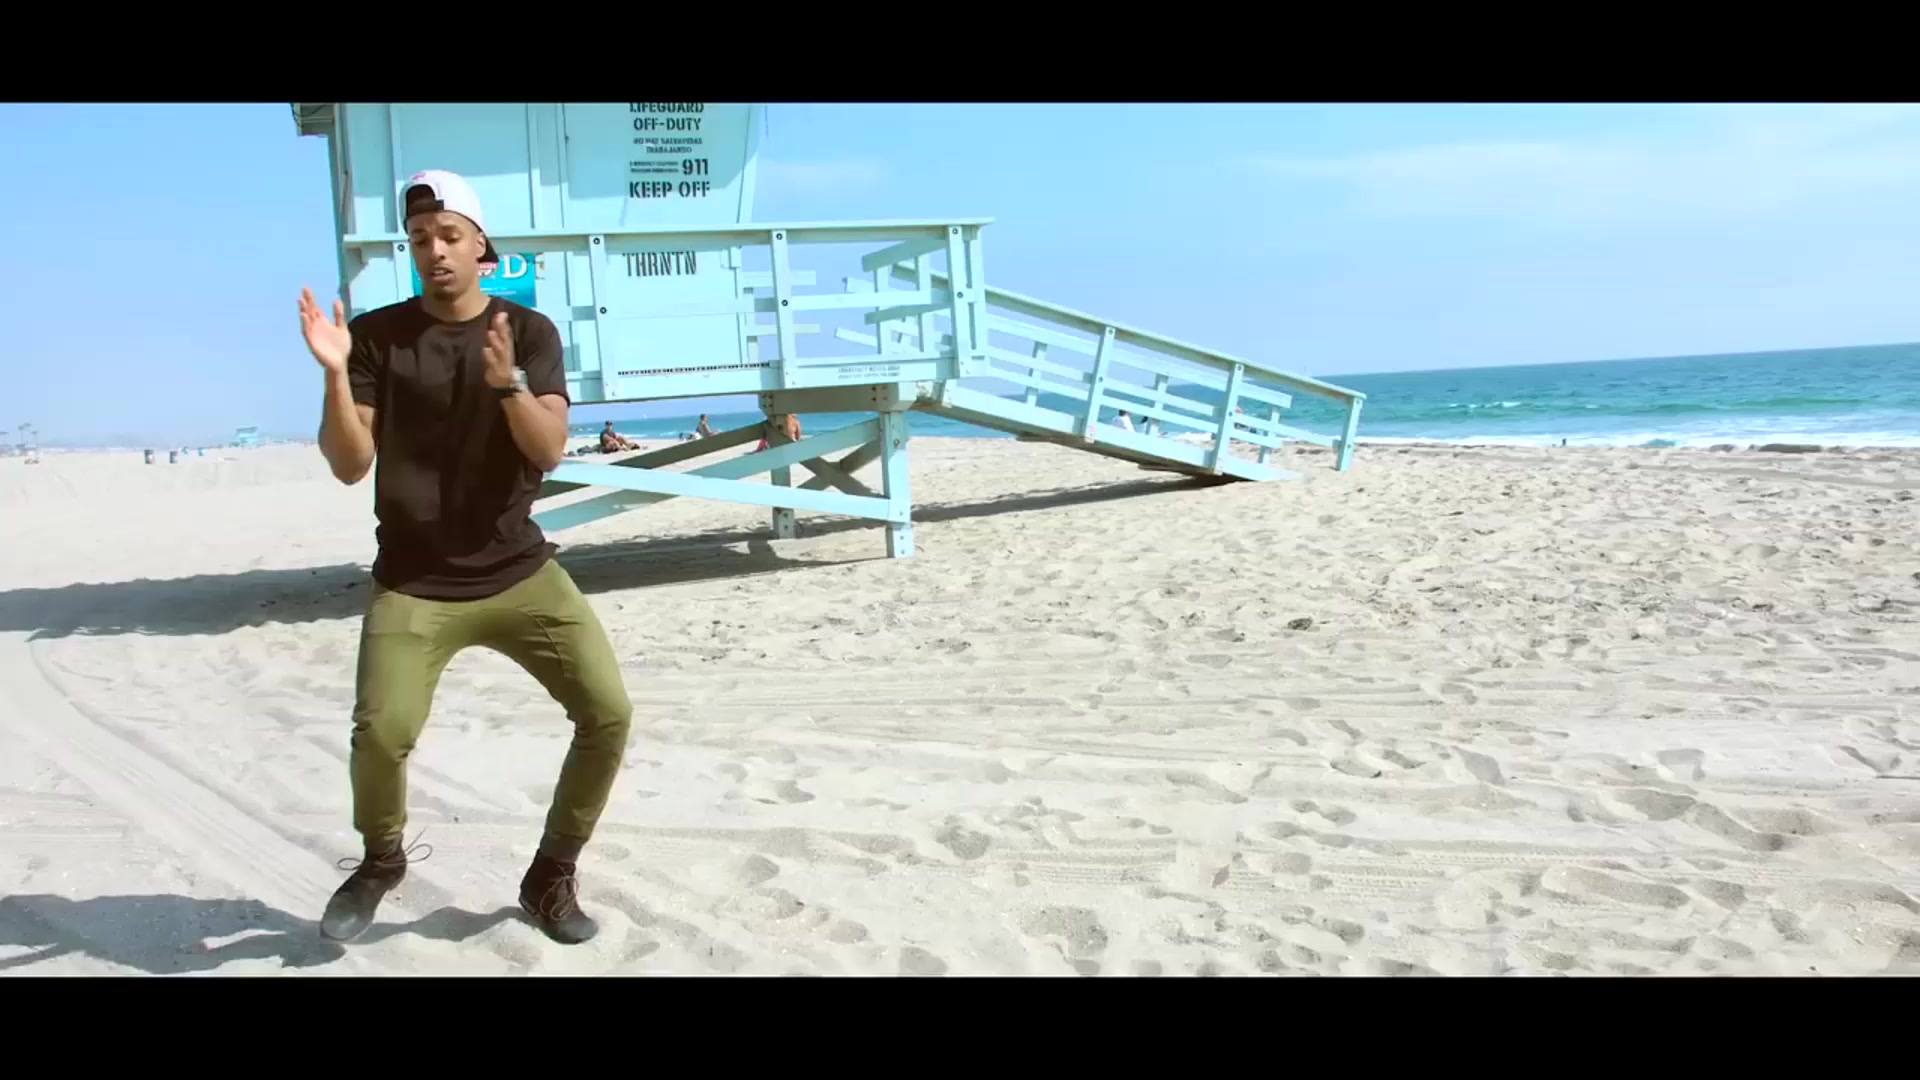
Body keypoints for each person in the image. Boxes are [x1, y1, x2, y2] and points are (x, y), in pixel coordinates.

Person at [298, 168, 633, 946]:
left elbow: (548, 451)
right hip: (413, 583)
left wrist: (508, 385)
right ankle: (381, 860)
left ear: (482, 244)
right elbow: (349, 464)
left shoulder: (529, 332)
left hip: (518, 571)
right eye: (420, 239)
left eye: (450, 235)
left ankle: (551, 872)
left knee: (608, 713)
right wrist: (335, 376)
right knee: (380, 734)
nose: (435, 251)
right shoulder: (377, 337)